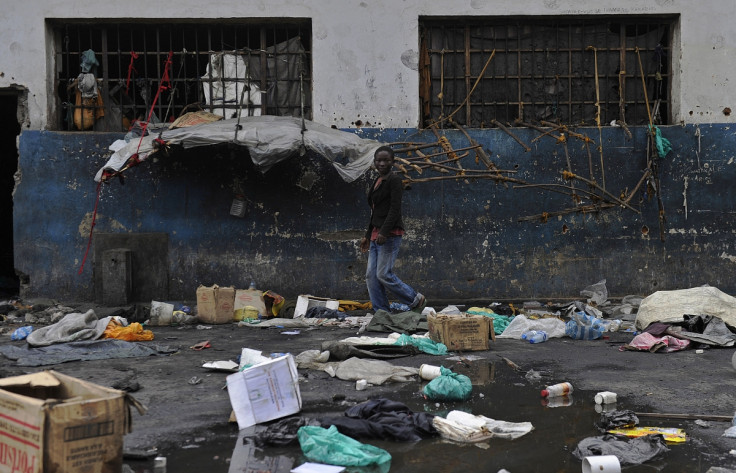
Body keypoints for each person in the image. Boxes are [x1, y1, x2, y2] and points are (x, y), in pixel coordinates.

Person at [360, 145, 426, 313]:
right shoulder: (377, 180)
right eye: (378, 160)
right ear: (374, 162)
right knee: (371, 276)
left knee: (383, 274)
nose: (381, 163)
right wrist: (368, 235)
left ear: (393, 162)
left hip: (389, 234)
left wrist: (383, 232)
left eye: (386, 160)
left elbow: (395, 209)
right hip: (376, 234)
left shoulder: (394, 180)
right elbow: (375, 211)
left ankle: (415, 299)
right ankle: (381, 311)